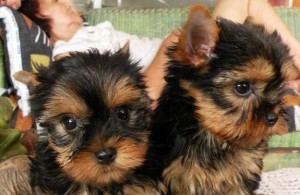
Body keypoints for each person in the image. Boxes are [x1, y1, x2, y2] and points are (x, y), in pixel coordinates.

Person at [14, 0, 300, 100]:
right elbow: (144, 95)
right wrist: (169, 47)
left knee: (251, 8)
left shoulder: (88, 32)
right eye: (53, 1)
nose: (67, 3)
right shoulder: (72, 52)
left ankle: (294, 67)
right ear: (39, 20)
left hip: (182, 55)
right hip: (182, 68)